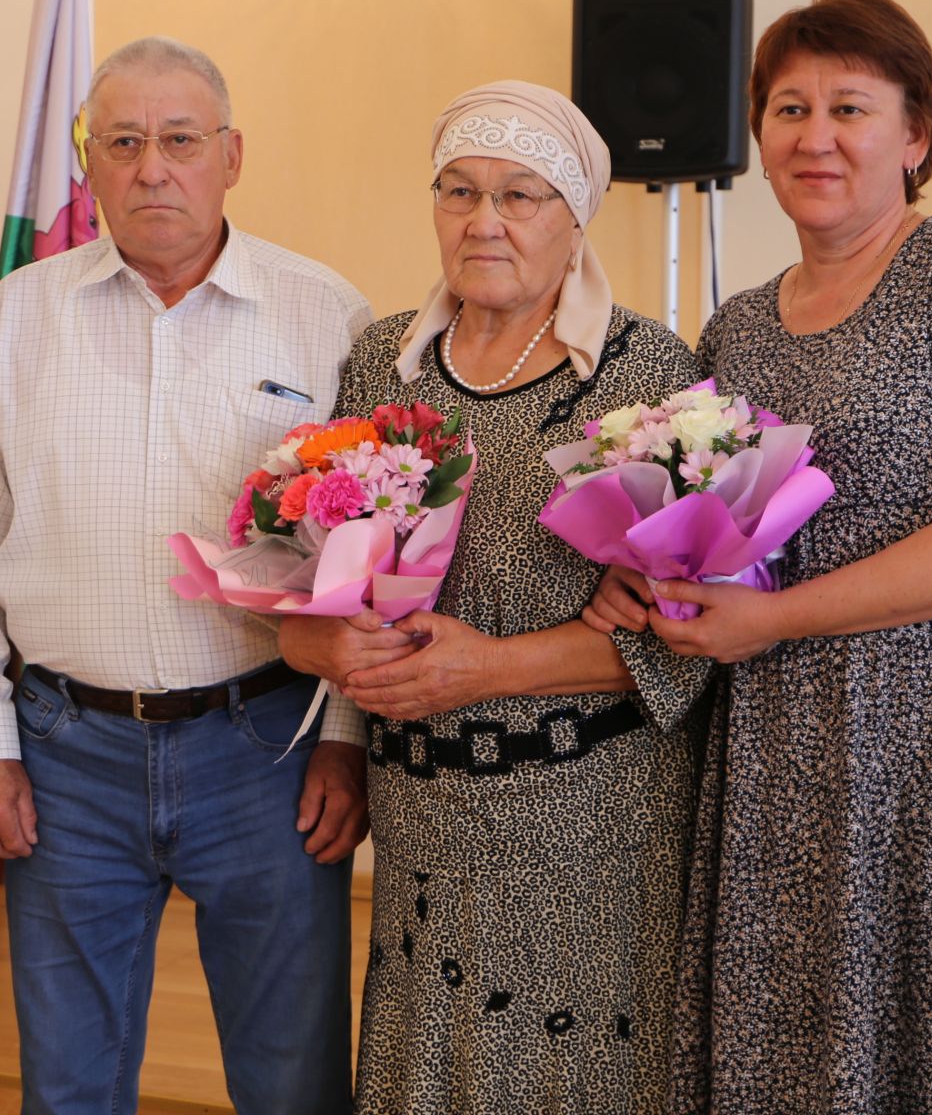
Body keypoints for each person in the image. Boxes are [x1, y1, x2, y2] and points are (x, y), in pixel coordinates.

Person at [586, 0, 932, 1113]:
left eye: (851, 107)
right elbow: (720, 523)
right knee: (797, 1027)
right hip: (788, 739)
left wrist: (773, 618)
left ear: (916, 135)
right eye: (789, 108)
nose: (816, 136)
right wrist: (649, 572)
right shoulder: (736, 321)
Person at [0, 36, 373, 1115]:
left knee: (293, 1081)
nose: (151, 168)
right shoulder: (16, 315)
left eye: (180, 140)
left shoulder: (328, 315)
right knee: (70, 1084)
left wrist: (349, 743)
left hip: (269, 751)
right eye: (122, 142)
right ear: (89, 163)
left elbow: (371, 563)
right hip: (65, 757)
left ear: (232, 155)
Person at [278, 81, 713, 1115]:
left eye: (520, 196)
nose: (484, 221)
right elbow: (333, 586)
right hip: (425, 805)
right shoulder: (386, 365)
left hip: (594, 814)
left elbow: (685, 629)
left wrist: (488, 664)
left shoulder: (645, 367)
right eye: (459, 191)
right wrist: (335, 702)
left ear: (575, 221)